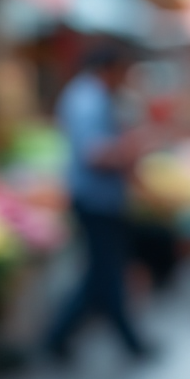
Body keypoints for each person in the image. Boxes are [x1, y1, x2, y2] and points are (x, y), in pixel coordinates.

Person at [44, 43, 153, 362]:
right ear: (110, 69)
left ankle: (64, 338)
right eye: (123, 72)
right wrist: (130, 151)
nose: (125, 79)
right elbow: (95, 154)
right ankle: (64, 338)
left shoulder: (92, 96)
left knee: (103, 274)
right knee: (104, 274)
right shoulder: (88, 99)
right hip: (94, 199)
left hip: (101, 198)